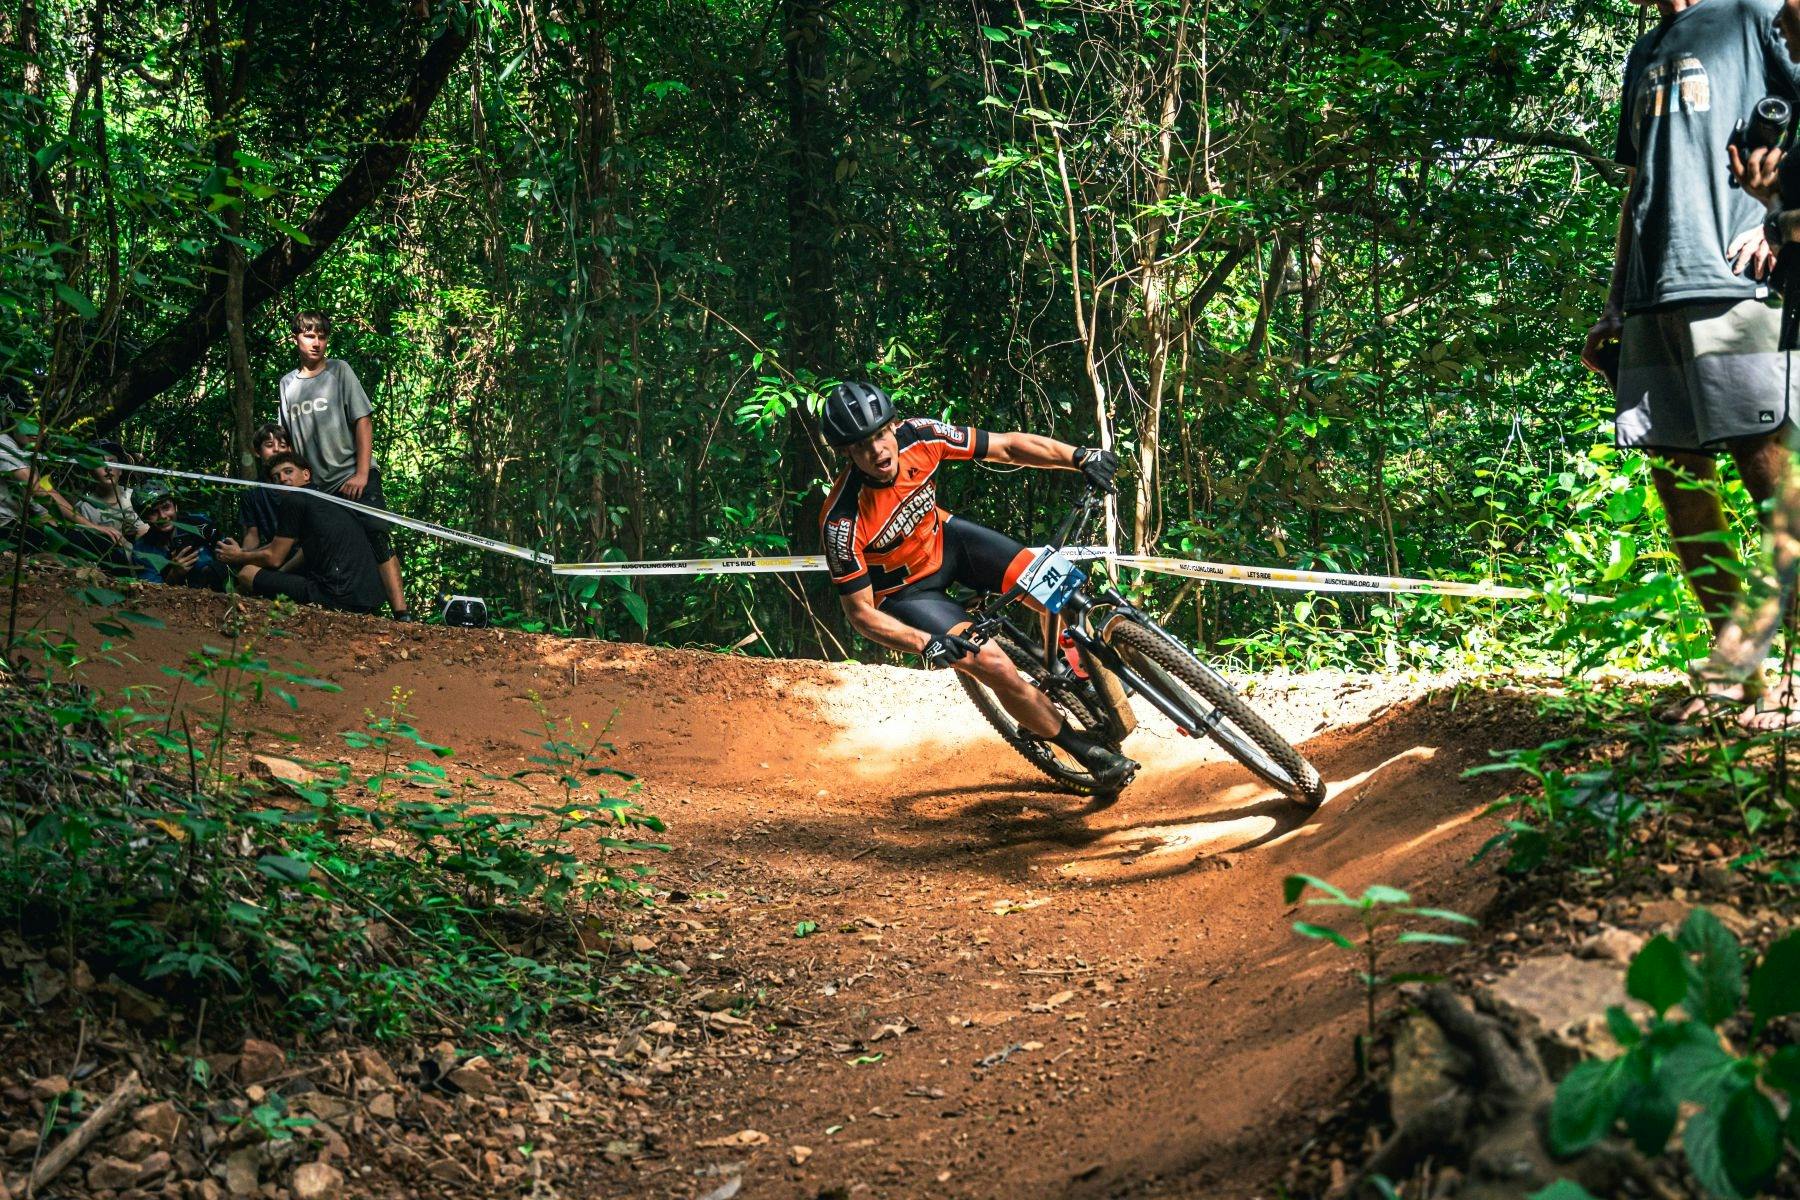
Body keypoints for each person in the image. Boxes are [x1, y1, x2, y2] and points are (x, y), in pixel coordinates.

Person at [1581, 0, 1800, 729]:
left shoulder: (1759, 15)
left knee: (1771, 475)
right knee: (1677, 479)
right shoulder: (1649, 45)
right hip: (1653, 292)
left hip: (1733, 283)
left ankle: (1795, 675)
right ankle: (1741, 670)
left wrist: (1783, 222)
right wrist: (1614, 301)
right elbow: (1640, 180)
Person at [817, 381, 1137, 788]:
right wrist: (923, 643)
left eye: (880, 435)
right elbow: (860, 613)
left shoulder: (922, 436)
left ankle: (1062, 667)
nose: (877, 451)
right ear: (846, 453)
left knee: (1062, 593)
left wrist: (1079, 457)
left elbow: (1006, 447)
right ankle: (1084, 750)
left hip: (949, 543)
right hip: (908, 593)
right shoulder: (842, 519)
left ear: (894, 426)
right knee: (993, 664)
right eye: (861, 446)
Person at [276, 311, 411, 619]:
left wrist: (362, 474)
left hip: (352, 477)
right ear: (295, 338)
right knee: (322, 546)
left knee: (377, 538)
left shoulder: (340, 371)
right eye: (310, 336)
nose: (316, 343)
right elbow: (289, 442)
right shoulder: (287, 385)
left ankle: (401, 613)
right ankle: (339, 608)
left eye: (322, 337)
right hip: (316, 488)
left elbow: (362, 420)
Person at [215, 452, 385, 615]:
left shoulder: (294, 500)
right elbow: (302, 551)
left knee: (247, 573)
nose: (282, 479)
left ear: (306, 474)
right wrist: (277, 576)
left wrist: (238, 557)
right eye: (276, 477)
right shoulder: (327, 499)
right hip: (368, 599)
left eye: (288, 471)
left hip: (337, 597)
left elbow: (274, 558)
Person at [0, 418, 134, 565]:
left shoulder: (26, 455)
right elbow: (38, 489)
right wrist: (92, 526)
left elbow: (37, 504)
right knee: (97, 546)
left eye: (41, 423)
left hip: (20, 526)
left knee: (98, 543)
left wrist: (63, 526)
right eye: (26, 421)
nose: (34, 430)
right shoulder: (4, 444)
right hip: (6, 529)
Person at [132, 488, 228, 590]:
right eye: (153, 512)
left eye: (166, 507)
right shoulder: (142, 549)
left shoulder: (199, 524)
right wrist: (174, 574)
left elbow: (227, 555)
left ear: (175, 506)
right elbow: (152, 591)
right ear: (144, 517)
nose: (162, 516)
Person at [238, 423, 302, 571]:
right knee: (244, 573)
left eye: (283, 445)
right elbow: (252, 534)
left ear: (290, 450)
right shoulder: (251, 491)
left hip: (302, 554)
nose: (277, 449)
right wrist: (242, 555)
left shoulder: (299, 484)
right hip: (271, 556)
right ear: (257, 451)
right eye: (269, 445)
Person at [76, 445, 148, 543]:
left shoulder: (136, 497)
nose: (107, 468)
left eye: (111, 462)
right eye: (99, 463)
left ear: (121, 470)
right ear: (90, 472)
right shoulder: (84, 507)